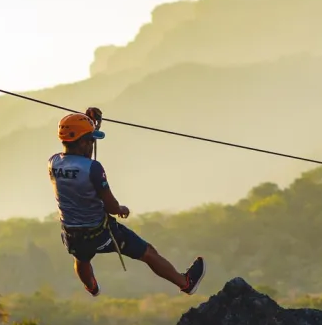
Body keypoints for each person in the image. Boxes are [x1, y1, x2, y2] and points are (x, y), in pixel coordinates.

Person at [47, 108, 205, 297]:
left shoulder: (53, 163)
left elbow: (75, 158)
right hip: (100, 232)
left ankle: (91, 287)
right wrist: (121, 209)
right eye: (90, 140)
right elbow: (112, 207)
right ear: (81, 142)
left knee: (81, 258)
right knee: (148, 252)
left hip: (72, 232)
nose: (92, 144)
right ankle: (185, 283)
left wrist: (90, 122)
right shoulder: (93, 169)